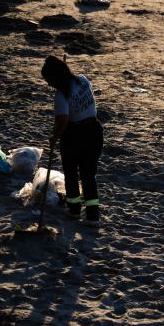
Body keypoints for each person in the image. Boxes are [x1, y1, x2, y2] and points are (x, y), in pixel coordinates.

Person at [41, 55, 103, 225]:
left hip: (75, 135)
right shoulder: (83, 80)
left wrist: (54, 137)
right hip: (94, 130)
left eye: (48, 80)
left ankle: (74, 210)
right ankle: (92, 215)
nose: (48, 84)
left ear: (55, 77)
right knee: (89, 175)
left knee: (71, 173)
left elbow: (62, 121)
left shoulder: (61, 96)